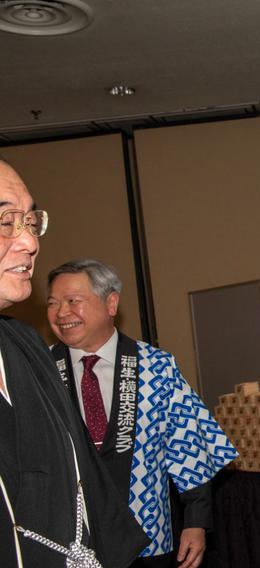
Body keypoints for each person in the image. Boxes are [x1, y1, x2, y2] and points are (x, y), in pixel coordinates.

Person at [0, 161, 149, 567]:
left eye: (30, 221)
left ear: (111, 305)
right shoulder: (48, 354)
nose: (29, 241)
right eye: (6, 220)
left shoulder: (23, 346)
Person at [45, 259, 238, 568]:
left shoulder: (157, 366)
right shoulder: (39, 371)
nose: (61, 313)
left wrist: (195, 522)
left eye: (73, 301)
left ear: (111, 303)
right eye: (53, 303)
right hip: (69, 537)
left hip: (147, 533)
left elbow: (189, 448)